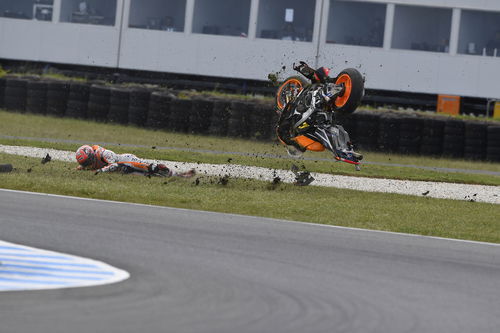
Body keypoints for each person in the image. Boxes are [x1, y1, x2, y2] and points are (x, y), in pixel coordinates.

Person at [276, 61, 362, 162]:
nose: (299, 149)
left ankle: (309, 72)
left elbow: (281, 124)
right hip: (319, 116)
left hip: (308, 102)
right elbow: (323, 134)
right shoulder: (304, 138)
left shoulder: (284, 132)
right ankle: (345, 152)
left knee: (320, 81)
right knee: (334, 129)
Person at [75, 145, 195, 177]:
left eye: (88, 162)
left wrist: (99, 171)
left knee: (151, 169)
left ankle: (177, 173)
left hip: (126, 161)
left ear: (93, 156)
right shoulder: (88, 163)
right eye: (85, 164)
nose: (88, 166)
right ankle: (175, 176)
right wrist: (82, 167)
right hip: (124, 172)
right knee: (149, 177)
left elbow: (114, 166)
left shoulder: (104, 154)